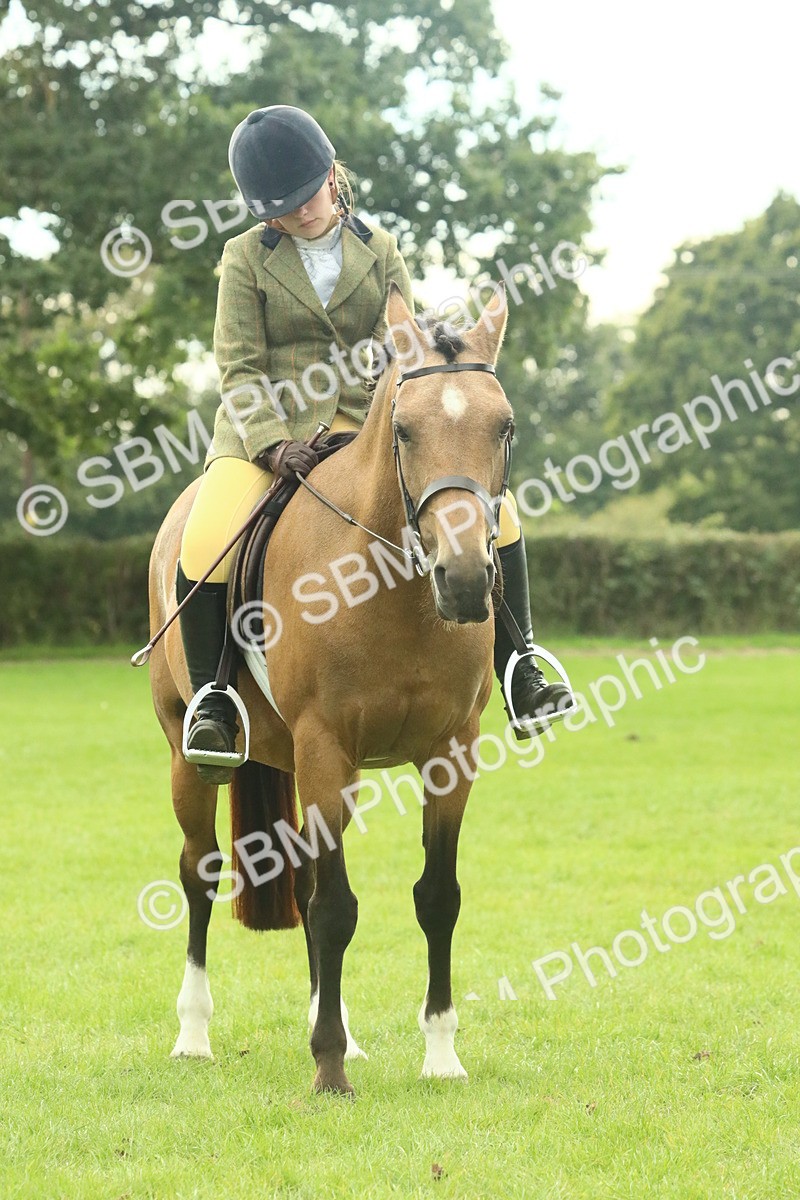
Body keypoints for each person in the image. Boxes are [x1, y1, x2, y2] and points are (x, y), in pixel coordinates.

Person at [177, 104, 572, 784]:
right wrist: (272, 446)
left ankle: (520, 665)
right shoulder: (242, 258)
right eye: (281, 209)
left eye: (307, 197)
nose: (298, 214)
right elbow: (240, 369)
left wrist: (398, 416)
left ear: (332, 177)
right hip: (265, 435)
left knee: (493, 514)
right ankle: (215, 697)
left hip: (368, 425)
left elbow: (405, 351)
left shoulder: (380, 248)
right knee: (206, 534)